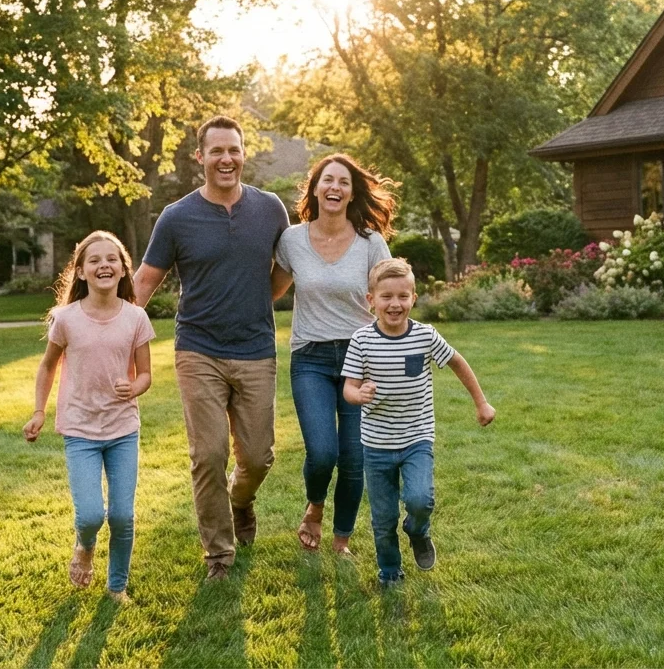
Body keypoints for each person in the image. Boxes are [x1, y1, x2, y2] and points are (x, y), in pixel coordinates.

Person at [133, 115, 289, 580]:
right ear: (199, 157)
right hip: (197, 349)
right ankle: (219, 555)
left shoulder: (271, 210)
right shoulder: (177, 217)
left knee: (258, 456)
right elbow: (144, 281)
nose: (226, 159)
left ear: (244, 154)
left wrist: (256, 299)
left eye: (234, 150)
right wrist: (115, 336)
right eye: (216, 151)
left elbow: (284, 273)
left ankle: (241, 502)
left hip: (256, 349)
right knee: (209, 454)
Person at [342, 258, 496, 586]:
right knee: (382, 518)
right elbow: (348, 389)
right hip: (377, 444)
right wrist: (360, 394)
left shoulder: (425, 336)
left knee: (419, 499)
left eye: (402, 296)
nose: (394, 304)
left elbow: (457, 362)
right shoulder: (361, 340)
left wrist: (481, 402)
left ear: (414, 297)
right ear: (371, 300)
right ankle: (389, 572)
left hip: (416, 439)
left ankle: (418, 530)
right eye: (386, 297)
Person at [271, 155, 397, 555]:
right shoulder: (292, 240)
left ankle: (341, 537)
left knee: (355, 457)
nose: (335, 188)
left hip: (361, 359)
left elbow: (389, 296)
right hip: (310, 356)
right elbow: (270, 291)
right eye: (328, 180)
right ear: (315, 188)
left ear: (352, 192)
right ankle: (315, 506)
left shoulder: (370, 243)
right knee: (323, 451)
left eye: (343, 182)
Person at [23, 231, 155, 603]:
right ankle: (84, 544)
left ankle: (117, 587)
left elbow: (145, 373)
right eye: (94, 260)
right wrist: (38, 412)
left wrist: (135, 387)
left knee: (123, 515)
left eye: (111, 259)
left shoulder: (136, 318)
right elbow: (48, 366)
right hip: (80, 430)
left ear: (123, 269)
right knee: (91, 516)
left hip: (122, 429)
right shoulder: (66, 319)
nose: (104, 265)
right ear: (80, 272)